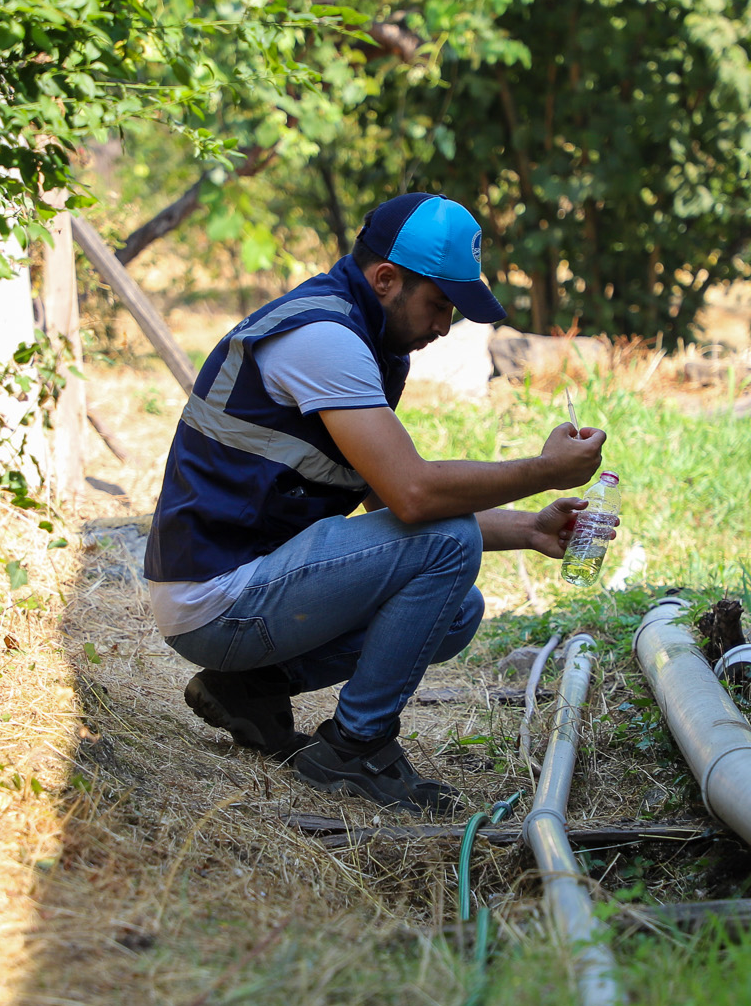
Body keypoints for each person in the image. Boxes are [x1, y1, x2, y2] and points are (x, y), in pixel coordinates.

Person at [144, 192, 609, 813]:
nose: (444, 327)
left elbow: (384, 500)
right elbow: (413, 496)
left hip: (240, 590)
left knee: (458, 611)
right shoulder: (324, 339)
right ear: (386, 279)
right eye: (438, 304)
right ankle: (354, 746)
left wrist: (531, 530)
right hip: (218, 599)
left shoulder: (366, 340)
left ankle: (251, 687)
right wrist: (544, 471)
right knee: (448, 543)